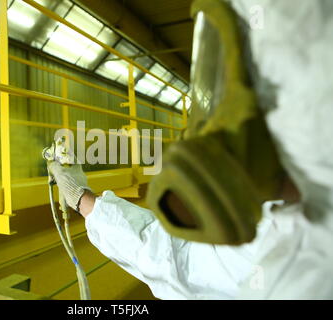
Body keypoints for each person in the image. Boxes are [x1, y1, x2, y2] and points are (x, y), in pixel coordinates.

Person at [48, 0, 333, 299]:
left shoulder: (306, 269)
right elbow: (186, 261)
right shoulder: (298, 219)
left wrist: (82, 199)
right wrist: (85, 200)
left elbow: (182, 265)